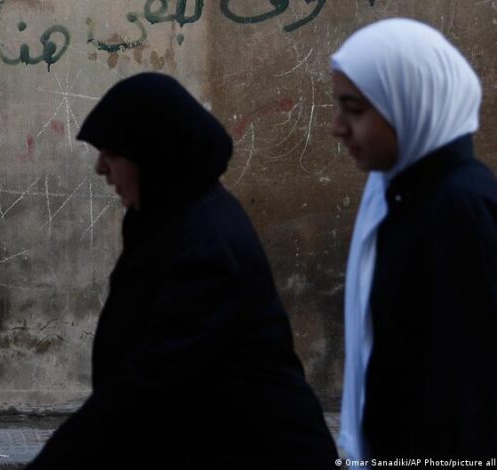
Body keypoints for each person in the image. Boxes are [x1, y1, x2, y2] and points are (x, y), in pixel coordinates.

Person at [26, 72, 338, 469]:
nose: (101, 168)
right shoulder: (164, 217)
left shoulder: (205, 247)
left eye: (113, 154)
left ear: (153, 157)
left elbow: (147, 383)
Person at [331, 18, 497, 463]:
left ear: (410, 102)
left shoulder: (460, 208)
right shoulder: (396, 193)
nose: (338, 127)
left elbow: (471, 390)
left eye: (355, 110)